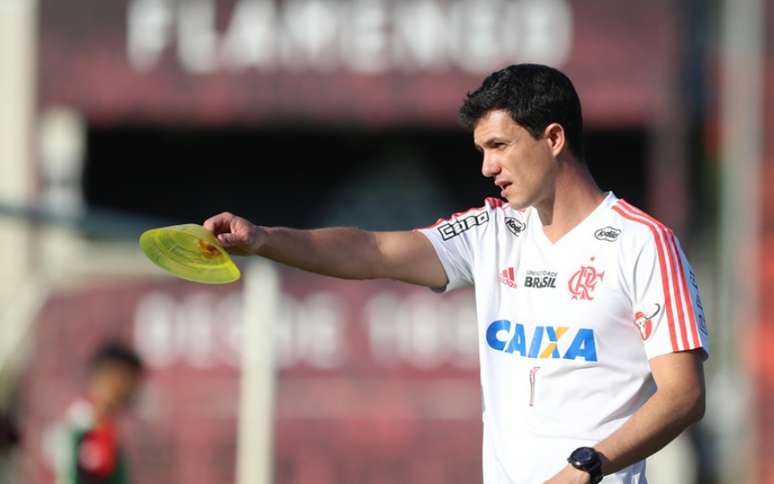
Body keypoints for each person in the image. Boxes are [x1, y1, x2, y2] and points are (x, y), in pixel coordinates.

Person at [203, 64, 708, 484]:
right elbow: (373, 249)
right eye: (482, 151)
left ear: (553, 138)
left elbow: (683, 394)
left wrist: (587, 466)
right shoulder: (491, 231)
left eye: (500, 145)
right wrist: (265, 239)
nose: (488, 167)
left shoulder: (644, 244)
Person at [50, 341, 144, 484]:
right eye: (122, 380)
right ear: (101, 376)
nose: (126, 390)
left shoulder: (111, 434)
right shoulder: (77, 428)